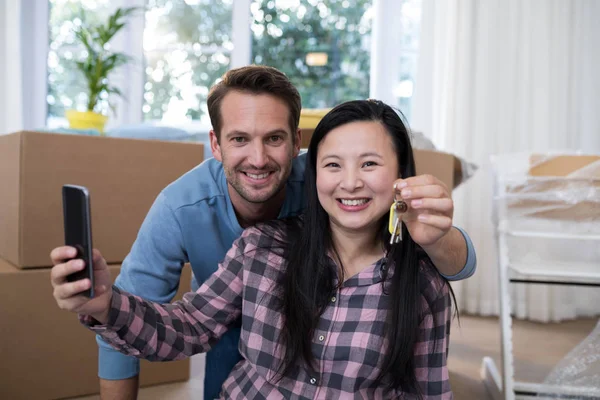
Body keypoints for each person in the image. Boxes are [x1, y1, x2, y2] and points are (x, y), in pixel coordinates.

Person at [51, 66, 475, 399]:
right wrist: (105, 305)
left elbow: (428, 386)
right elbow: (186, 325)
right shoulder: (236, 235)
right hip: (242, 355)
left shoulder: (419, 281)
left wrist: (437, 238)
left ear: (295, 147)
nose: (349, 182)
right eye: (239, 139)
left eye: (369, 164)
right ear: (216, 145)